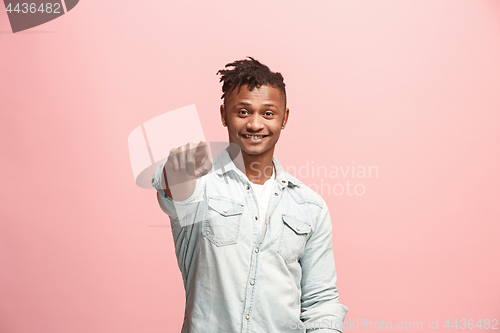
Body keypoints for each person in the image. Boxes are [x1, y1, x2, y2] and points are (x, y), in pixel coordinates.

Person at [151, 56, 348, 333]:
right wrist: (176, 170)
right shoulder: (200, 187)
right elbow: (173, 190)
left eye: (268, 113)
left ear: (284, 118)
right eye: (243, 112)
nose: (255, 124)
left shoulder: (310, 206)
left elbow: (321, 302)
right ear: (223, 115)